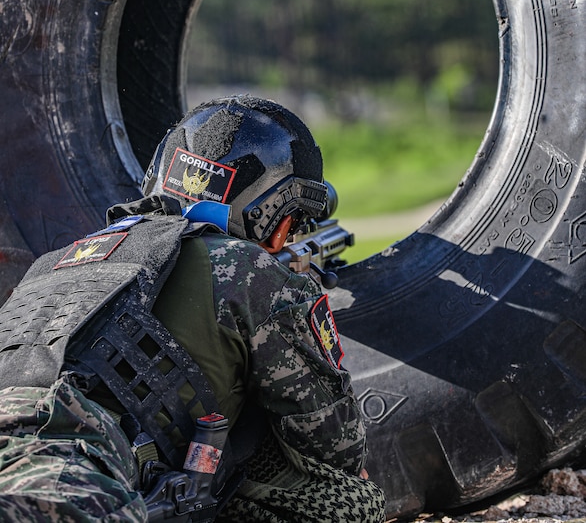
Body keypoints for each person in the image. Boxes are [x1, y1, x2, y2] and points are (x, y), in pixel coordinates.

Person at [0, 95, 386, 522]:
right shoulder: (249, 269)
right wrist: (299, 297)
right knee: (350, 503)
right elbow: (337, 447)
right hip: (70, 478)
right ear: (271, 214)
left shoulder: (52, 263)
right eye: (293, 225)